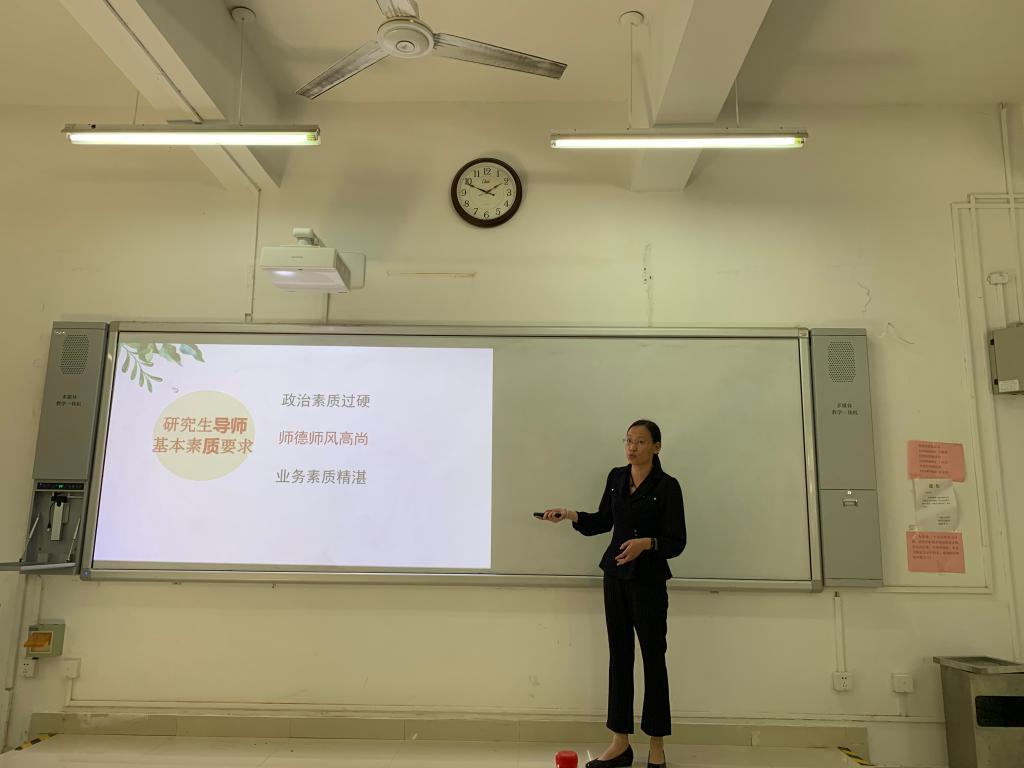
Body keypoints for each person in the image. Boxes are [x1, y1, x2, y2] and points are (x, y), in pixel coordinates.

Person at [541, 420, 686, 768]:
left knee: (653, 659)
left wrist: (645, 544)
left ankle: (656, 743)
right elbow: (603, 521)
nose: (632, 447)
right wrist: (570, 515)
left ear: (657, 447)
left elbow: (676, 541)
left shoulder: (668, 486)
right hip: (615, 577)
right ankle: (620, 742)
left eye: (640, 441)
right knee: (619, 657)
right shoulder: (616, 478)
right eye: (628, 440)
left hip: (648, 581)